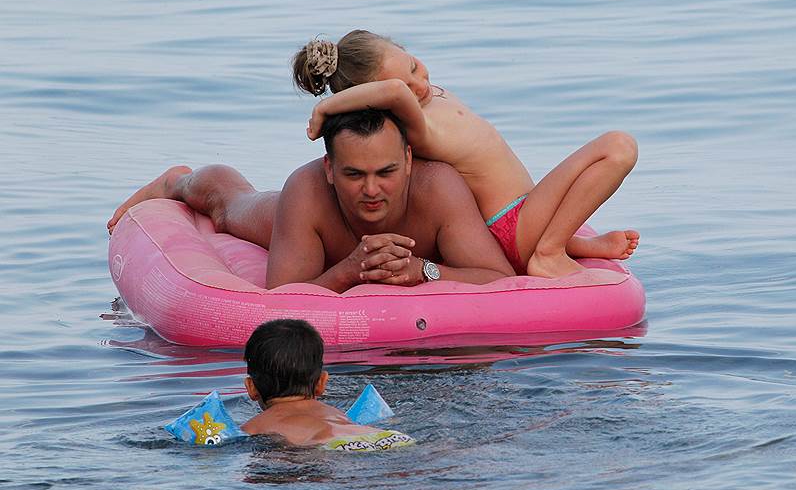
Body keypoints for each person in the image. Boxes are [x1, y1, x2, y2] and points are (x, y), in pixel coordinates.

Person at [296, 30, 640, 278]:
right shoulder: (419, 126)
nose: (419, 85)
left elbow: (400, 84)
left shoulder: (426, 96)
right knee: (619, 147)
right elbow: (397, 90)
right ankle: (548, 251)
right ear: (379, 99)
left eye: (413, 67)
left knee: (602, 158)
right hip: (511, 226)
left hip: (526, 210)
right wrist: (326, 107)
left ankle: (571, 243)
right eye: (405, 86)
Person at [107, 109, 515, 292]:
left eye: (386, 172)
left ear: (408, 161)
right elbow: (284, 298)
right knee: (230, 208)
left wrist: (423, 270)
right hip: (309, 228)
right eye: (354, 174)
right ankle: (178, 180)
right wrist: (350, 271)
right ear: (329, 169)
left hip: (387, 249)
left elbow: (499, 278)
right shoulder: (307, 190)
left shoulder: (439, 187)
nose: (372, 190)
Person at [242, 318, 414, 450]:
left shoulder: (254, 427)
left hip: (329, 445)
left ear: (251, 387)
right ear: (321, 383)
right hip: (389, 437)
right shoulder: (334, 413)